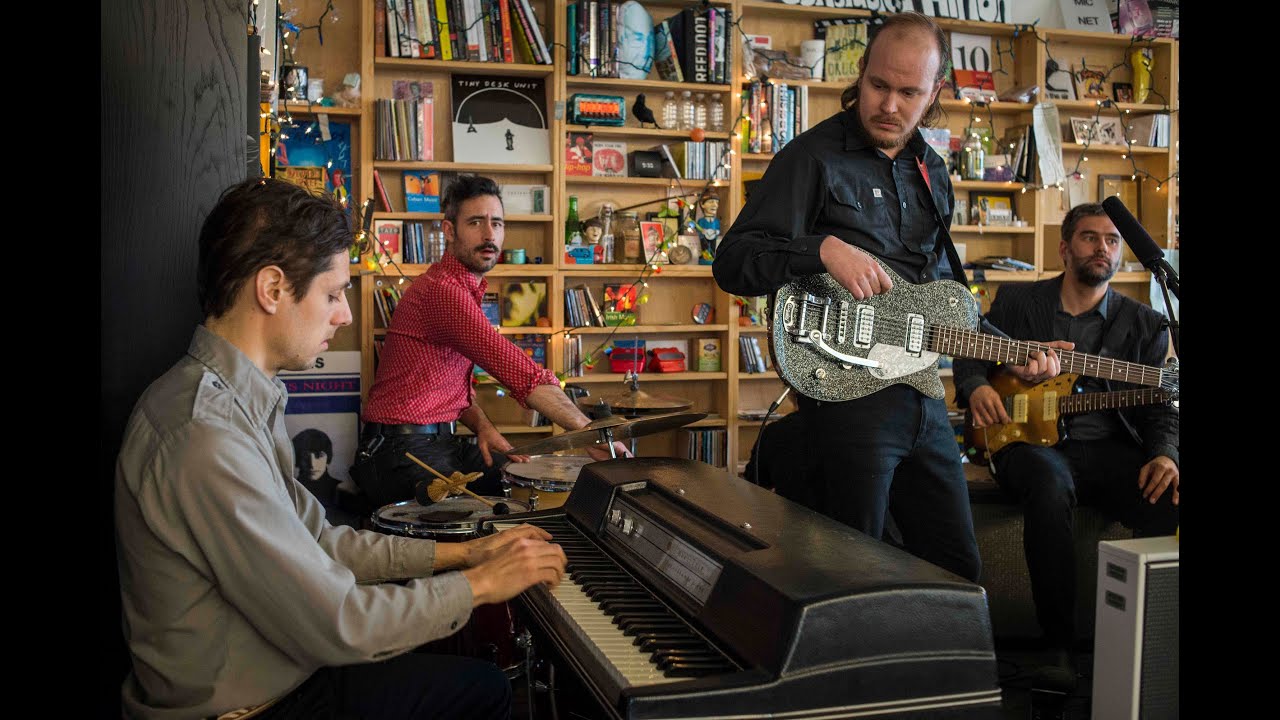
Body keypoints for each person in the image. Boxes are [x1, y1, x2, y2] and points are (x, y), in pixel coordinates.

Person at [114, 177, 569, 719]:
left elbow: (322, 542)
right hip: (251, 709)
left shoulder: (238, 402)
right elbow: (341, 624)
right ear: (273, 289)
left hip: (282, 676)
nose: (346, 315)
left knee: (475, 681)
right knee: (484, 689)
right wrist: (480, 584)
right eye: (332, 294)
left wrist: (465, 554)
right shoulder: (205, 434)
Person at [712, 12, 1068, 583]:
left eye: (910, 92)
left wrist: (1008, 350)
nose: (890, 105)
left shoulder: (933, 170)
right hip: (847, 396)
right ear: (862, 73)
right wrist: (821, 248)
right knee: (854, 572)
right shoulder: (812, 157)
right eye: (880, 86)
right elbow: (732, 262)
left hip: (922, 393)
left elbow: (936, 300)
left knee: (957, 572)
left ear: (935, 93)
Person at [953, 202, 1179, 689]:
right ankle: (1058, 646)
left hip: (1111, 448)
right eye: (1090, 237)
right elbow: (969, 347)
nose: (1103, 247)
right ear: (1065, 247)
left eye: (1113, 240)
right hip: (1026, 445)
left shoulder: (1146, 324)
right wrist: (978, 387)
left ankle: (1155, 645)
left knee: (1169, 500)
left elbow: (1162, 402)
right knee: (1050, 486)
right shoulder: (1017, 302)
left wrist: (1165, 453)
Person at [354, 174, 627, 511]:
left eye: (496, 223)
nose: (489, 235)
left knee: (520, 483)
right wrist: (592, 434)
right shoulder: (443, 293)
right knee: (495, 520)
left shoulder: (460, 289)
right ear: (450, 230)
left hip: (438, 441)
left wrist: (483, 425)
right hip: (399, 453)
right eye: (475, 222)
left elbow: (445, 388)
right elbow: (520, 373)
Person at [291, 427, 360, 527]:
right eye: (305, 456)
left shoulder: (345, 494)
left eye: (319, 455)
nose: (312, 464)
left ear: (329, 457)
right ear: (297, 459)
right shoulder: (287, 492)